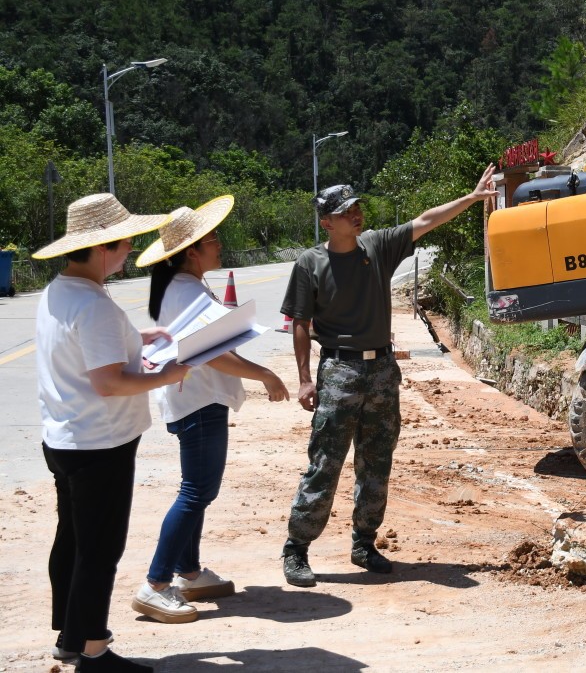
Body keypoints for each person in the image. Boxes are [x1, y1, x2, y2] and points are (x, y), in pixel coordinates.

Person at [280, 168, 496, 587]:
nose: (356, 215)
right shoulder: (310, 263)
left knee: (377, 460)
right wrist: (305, 379)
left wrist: (471, 198)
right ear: (327, 221)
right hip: (338, 370)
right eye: (346, 211)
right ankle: (297, 549)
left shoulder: (376, 246)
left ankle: (364, 543)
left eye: (357, 207)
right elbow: (300, 323)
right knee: (326, 463)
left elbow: (426, 220)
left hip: (381, 370)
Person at [33, 194, 191, 673]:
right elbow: (109, 382)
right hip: (100, 444)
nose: (129, 252)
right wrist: (170, 375)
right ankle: (94, 650)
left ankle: (70, 633)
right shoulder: (94, 305)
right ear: (104, 246)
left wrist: (135, 339)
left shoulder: (59, 291)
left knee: (73, 542)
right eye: (126, 244)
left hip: (64, 438)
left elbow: (83, 349)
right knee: (100, 550)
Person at [131, 197, 291, 624]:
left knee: (197, 489)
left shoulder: (184, 287)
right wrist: (266, 375)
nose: (220, 245)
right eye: (213, 239)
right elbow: (209, 354)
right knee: (197, 491)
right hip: (198, 403)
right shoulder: (185, 291)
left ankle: (188, 571)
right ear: (190, 251)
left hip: (196, 401)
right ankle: (156, 583)